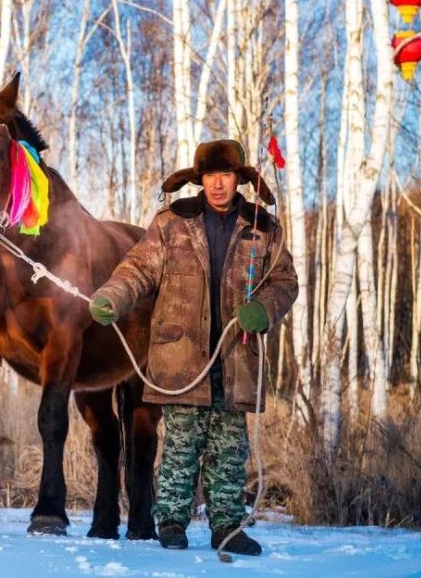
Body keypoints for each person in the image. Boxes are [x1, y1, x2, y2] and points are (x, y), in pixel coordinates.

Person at [89, 139, 298, 556]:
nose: (217, 185)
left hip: (236, 355)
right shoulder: (171, 223)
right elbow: (137, 270)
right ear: (199, 179)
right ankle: (171, 522)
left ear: (239, 179)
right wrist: (112, 295)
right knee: (182, 444)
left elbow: (285, 282)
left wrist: (265, 309)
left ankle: (227, 526)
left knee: (229, 448)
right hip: (181, 356)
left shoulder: (263, 227)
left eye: (225, 176)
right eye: (209, 176)